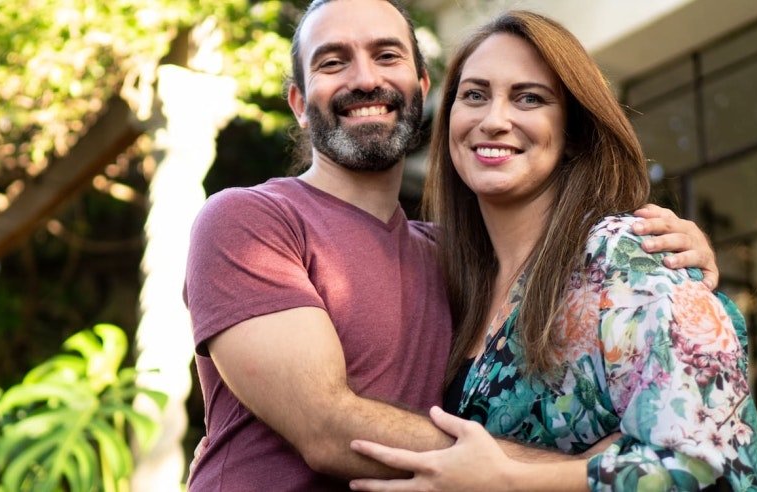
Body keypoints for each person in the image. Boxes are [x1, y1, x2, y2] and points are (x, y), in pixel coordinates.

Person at [183, 1, 722, 490]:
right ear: (300, 103)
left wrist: (671, 252)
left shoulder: (462, 261)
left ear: (421, 87)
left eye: (386, 55)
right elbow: (326, 428)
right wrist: (567, 476)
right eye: (332, 62)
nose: (365, 78)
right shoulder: (250, 220)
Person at [346, 10, 757, 491]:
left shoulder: (622, 258)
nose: (494, 120)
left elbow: (708, 469)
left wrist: (506, 481)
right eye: (475, 95)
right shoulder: (445, 275)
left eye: (528, 98)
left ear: (572, 134)